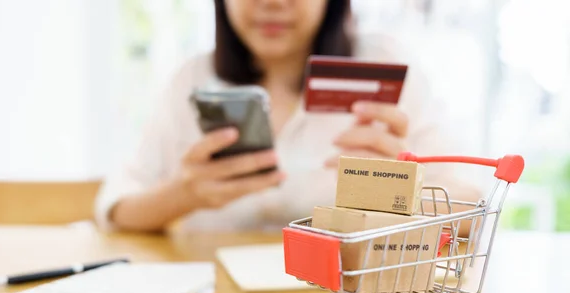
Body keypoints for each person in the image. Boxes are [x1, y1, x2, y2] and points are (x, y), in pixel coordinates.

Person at [95, 0, 481, 234]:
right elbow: (115, 208)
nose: (272, 3)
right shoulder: (192, 80)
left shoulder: (385, 65)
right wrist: (183, 194)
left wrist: (401, 194)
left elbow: (473, 212)